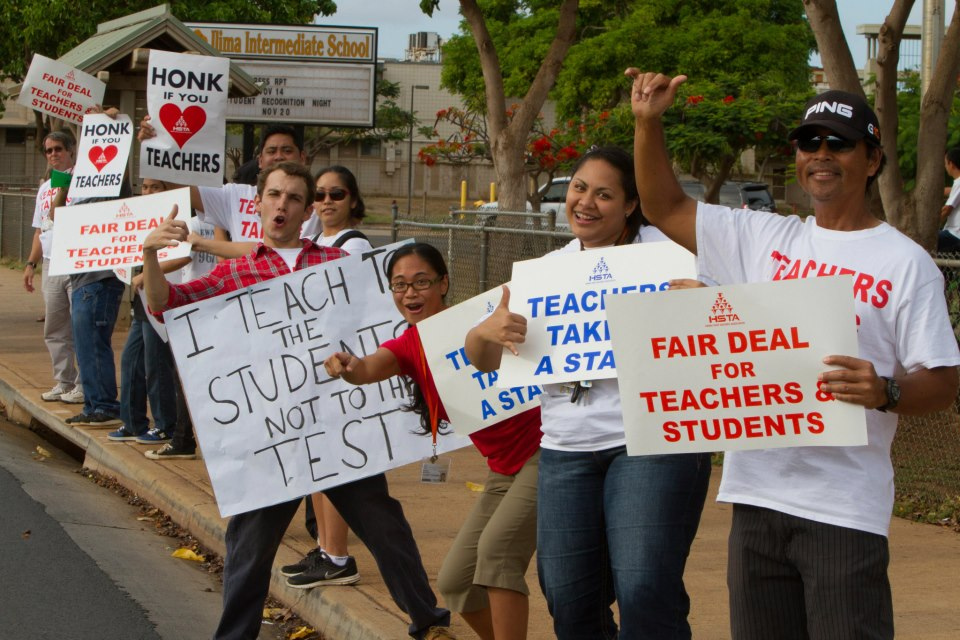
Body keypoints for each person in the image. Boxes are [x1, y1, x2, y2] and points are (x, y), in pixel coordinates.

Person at [627, 70, 960, 639]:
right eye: (809, 142)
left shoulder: (906, 264)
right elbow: (662, 205)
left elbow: (945, 380)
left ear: (872, 160)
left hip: (843, 511)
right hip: (757, 497)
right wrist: (647, 122)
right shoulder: (764, 238)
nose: (821, 154)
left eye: (839, 143)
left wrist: (888, 391)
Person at [141, 161, 456, 640]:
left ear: (306, 210)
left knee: (386, 528)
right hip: (275, 444)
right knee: (249, 550)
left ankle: (428, 621)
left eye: (292, 198)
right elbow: (167, 302)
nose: (281, 205)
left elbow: (398, 308)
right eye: (274, 195)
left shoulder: (338, 267)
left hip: (340, 434)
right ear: (259, 204)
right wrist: (148, 255)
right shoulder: (237, 272)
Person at [465, 146, 712, 639]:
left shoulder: (669, 260)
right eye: (579, 188)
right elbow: (484, 359)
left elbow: (722, 336)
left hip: (652, 443)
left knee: (645, 588)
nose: (586, 202)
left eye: (604, 194)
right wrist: (484, 334)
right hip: (565, 452)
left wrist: (700, 307)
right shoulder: (544, 273)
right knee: (569, 599)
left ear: (630, 205)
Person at [324, 242, 542, 640]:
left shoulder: (485, 315)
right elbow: (369, 367)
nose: (410, 293)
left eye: (421, 282)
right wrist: (349, 368)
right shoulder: (409, 345)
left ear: (443, 283)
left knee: (495, 556)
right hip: (501, 469)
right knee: (458, 582)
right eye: (399, 285)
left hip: (544, 455)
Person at [280, 165, 375, 590]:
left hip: (341, 366)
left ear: (353, 199)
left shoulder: (353, 245)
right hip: (318, 365)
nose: (326, 202)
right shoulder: (316, 241)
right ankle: (324, 549)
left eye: (336, 194)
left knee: (334, 463)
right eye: (319, 195)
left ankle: (337, 555)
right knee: (318, 461)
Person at [107, 178, 182, 444]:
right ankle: (133, 422)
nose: (148, 192)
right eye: (145, 187)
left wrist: (148, 274)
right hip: (142, 301)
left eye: (156, 187)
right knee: (131, 360)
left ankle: (165, 425)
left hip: (161, 298)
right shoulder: (142, 218)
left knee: (156, 365)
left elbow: (185, 254)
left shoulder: (180, 218)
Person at [23, 130, 83, 405]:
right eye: (49, 151)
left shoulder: (83, 180)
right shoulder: (45, 188)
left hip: (77, 260)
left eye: (58, 149)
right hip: (50, 263)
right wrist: (30, 263)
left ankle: (84, 384)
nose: (53, 154)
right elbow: (39, 230)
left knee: (81, 326)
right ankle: (64, 381)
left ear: (71, 151)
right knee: (55, 328)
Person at [938, 147, 960, 253]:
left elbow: (947, 209)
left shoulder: (959, 183)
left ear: (951, 164)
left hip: (954, 234)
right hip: (952, 232)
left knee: (920, 238)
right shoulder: (957, 184)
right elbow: (949, 191)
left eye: (945, 163)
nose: (945, 166)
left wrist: (930, 225)